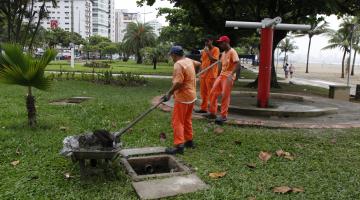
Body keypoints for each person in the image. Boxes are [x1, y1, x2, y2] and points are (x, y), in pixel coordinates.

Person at [162, 46, 201, 154]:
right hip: (192, 95)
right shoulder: (188, 60)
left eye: (171, 55)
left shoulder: (178, 65)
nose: (171, 58)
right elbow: (198, 64)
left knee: (177, 121)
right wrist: (194, 75)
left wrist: (169, 93)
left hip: (183, 97)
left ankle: (179, 145)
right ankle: (189, 141)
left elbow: (178, 83)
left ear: (174, 55)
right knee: (187, 119)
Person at [206, 35, 241, 125]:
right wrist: (218, 75)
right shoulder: (224, 53)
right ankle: (213, 113)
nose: (220, 45)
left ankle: (223, 116)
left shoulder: (232, 52)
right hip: (221, 75)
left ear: (226, 42)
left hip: (228, 76)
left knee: (225, 96)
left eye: (221, 43)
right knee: (213, 92)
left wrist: (232, 75)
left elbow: (237, 64)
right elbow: (220, 64)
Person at [195, 36, 220, 114]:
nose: (206, 43)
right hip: (203, 75)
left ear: (211, 41)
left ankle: (212, 112)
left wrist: (208, 52)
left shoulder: (216, 49)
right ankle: (203, 108)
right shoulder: (204, 51)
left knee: (212, 94)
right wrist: (199, 73)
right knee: (203, 93)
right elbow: (202, 63)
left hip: (211, 75)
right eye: (205, 42)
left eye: (208, 41)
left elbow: (214, 60)